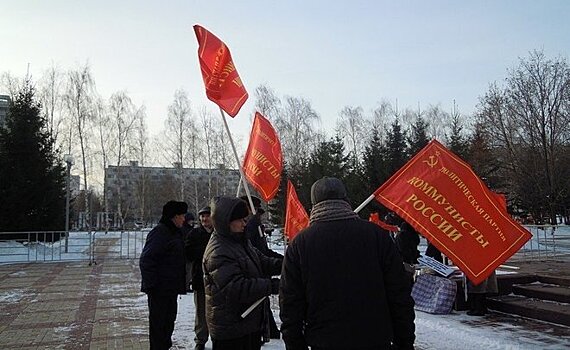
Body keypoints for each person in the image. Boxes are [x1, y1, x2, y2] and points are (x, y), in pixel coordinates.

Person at [279, 177, 416, 350]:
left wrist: (295, 345)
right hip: (375, 338)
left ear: (313, 205)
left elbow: (290, 303)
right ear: (346, 200)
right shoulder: (376, 236)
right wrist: (405, 341)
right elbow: (399, 294)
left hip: (325, 341)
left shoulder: (300, 243)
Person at [203, 197, 282, 350]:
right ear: (226, 222)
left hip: (247, 322)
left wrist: (289, 265)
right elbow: (237, 288)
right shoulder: (218, 251)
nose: (245, 223)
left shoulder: (240, 241)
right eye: (240, 220)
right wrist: (275, 285)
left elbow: (263, 262)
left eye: (245, 219)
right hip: (231, 329)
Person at [139, 200, 188, 350]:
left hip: (170, 289)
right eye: (182, 216)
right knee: (159, 327)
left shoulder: (175, 233)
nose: (184, 219)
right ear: (174, 217)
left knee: (168, 325)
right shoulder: (160, 233)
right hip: (159, 290)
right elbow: (147, 260)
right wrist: (153, 286)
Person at [240, 195, 283, 342]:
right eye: (256, 210)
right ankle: (267, 331)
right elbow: (258, 252)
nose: (258, 214)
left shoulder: (256, 225)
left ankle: (270, 331)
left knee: (264, 303)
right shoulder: (250, 226)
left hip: (261, 269)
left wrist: (282, 260)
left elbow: (262, 251)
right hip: (255, 273)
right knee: (259, 303)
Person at [185, 206, 214, 350]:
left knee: (216, 312)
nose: (204, 219)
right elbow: (189, 253)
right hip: (200, 279)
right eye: (202, 216)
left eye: (207, 216)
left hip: (217, 280)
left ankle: (218, 337)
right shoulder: (194, 234)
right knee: (201, 312)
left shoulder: (219, 233)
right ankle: (201, 339)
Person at [182, 212, 196, 292]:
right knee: (188, 272)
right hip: (187, 255)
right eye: (190, 221)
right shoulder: (187, 230)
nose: (191, 222)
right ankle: (186, 286)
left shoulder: (189, 230)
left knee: (189, 271)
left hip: (189, 254)